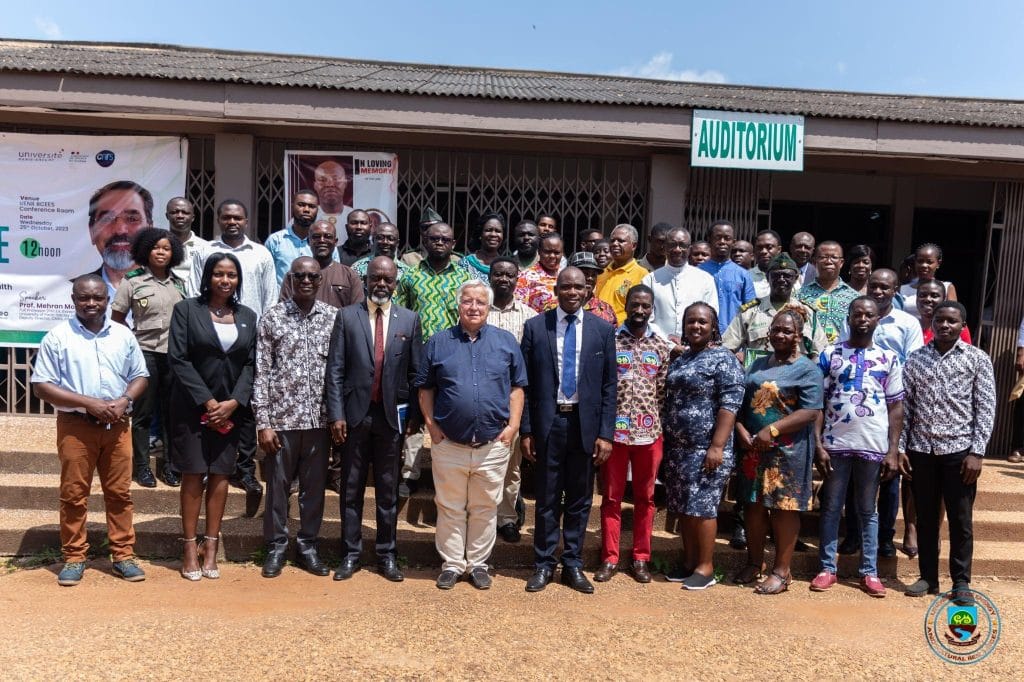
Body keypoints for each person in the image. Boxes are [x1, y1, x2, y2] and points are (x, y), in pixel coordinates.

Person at [32, 274, 149, 586]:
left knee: (120, 493)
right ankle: (73, 557)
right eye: (84, 298)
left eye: (98, 297)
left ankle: (123, 555)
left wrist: (125, 399)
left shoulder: (123, 335)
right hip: (76, 427)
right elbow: (42, 386)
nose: (92, 303)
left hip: (118, 425)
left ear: (108, 300)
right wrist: (88, 403)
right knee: (73, 494)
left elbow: (140, 375)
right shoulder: (58, 337)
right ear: (73, 300)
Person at [418, 280, 527, 590]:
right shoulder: (438, 342)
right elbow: (425, 389)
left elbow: (517, 388)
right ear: (459, 305)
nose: (474, 307)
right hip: (449, 443)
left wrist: (513, 427)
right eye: (468, 301)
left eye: (480, 302)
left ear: (488, 307)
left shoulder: (506, 342)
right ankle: (452, 564)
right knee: (450, 506)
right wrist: (431, 425)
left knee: (484, 507)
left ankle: (478, 563)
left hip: (493, 444)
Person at [520, 267, 616, 594]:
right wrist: (527, 430)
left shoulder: (602, 330)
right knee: (546, 498)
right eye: (566, 287)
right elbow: (527, 384)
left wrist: (605, 433)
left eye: (579, 287)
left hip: (584, 425)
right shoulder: (535, 327)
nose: (572, 292)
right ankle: (544, 563)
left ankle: (573, 564)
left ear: (587, 291)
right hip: (549, 423)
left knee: (579, 498)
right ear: (556, 289)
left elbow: (608, 386)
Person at [326, 257, 422, 582]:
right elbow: (335, 370)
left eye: (388, 279)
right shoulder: (346, 316)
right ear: (366, 280)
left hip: (390, 420)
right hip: (354, 418)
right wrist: (336, 414)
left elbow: (414, 374)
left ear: (396, 283)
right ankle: (351, 555)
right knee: (351, 490)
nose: (381, 283)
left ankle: (387, 555)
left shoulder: (409, 321)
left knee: (387, 490)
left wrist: (412, 418)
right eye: (376, 278)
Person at [168, 252, 257, 581]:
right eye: (219, 274)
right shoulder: (187, 310)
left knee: (220, 476)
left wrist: (234, 402)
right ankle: (189, 547)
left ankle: (211, 547)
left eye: (231, 275)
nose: (225, 280)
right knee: (193, 475)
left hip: (231, 413)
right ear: (207, 277)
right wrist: (208, 402)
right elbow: (178, 359)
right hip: (192, 409)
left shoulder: (247, 315)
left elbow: (250, 363)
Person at [900, 301, 995, 605]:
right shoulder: (915, 360)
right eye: (940, 320)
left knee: (960, 520)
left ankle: (961, 581)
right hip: (922, 451)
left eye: (951, 321)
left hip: (959, 453)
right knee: (926, 517)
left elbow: (986, 407)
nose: (944, 325)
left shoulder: (977, 359)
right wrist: (901, 447)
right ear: (932, 324)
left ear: (962, 326)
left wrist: (977, 452)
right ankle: (928, 577)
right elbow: (906, 409)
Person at [812, 297, 904, 598]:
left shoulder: (889, 359)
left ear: (878, 319)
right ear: (848, 318)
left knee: (868, 510)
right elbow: (817, 404)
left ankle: (869, 572)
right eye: (857, 314)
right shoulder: (830, 354)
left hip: (872, 444)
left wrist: (893, 450)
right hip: (836, 442)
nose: (863, 319)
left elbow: (896, 408)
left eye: (869, 315)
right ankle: (827, 568)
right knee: (830, 507)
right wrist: (819, 444)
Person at [253, 257, 337, 578]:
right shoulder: (272, 318)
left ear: (319, 281)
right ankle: (275, 547)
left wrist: (336, 417)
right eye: (299, 275)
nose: (305, 281)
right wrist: (264, 422)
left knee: (314, 489)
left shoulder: (332, 318)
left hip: (319, 422)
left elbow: (337, 372)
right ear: (290, 279)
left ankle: (308, 546)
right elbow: (261, 372)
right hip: (282, 422)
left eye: (311, 276)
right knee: (278, 487)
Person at [733, 309, 823, 594]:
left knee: (783, 509)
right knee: (753, 506)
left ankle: (782, 572)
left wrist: (771, 430)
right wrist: (740, 429)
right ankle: (754, 562)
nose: (780, 335)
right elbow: (741, 401)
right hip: (752, 450)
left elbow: (810, 411)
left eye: (787, 331)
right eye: (776, 329)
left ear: (798, 336)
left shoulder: (807, 369)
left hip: (787, 452)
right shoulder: (757, 364)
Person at [191, 200, 275, 504]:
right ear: (218, 219)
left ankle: (244, 468)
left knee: (247, 403)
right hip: (210, 336)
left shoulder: (261, 253)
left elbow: (271, 298)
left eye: (238, 217)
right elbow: (193, 290)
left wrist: (265, 337)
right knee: (211, 398)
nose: (232, 221)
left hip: (250, 336)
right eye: (226, 217)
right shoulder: (204, 251)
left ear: (247, 220)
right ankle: (202, 465)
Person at [837, 268, 923, 558]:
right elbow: (840, 352)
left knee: (889, 473)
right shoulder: (852, 317)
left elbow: (913, 364)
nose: (879, 291)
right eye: (874, 285)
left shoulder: (907, 323)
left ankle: (885, 537)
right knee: (852, 472)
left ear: (896, 290)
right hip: (855, 409)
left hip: (892, 405)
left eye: (886, 287)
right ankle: (853, 535)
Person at [661, 303, 744, 590]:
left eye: (702, 322)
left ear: (713, 327)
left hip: (706, 448)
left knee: (703, 507)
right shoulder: (683, 359)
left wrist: (717, 446)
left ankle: (706, 567)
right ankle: (689, 561)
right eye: (690, 322)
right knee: (684, 506)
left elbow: (730, 404)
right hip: (677, 448)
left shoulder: (724, 358)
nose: (696, 326)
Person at [594, 285, 673, 585]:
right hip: (614, 433)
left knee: (646, 498)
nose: (640, 311)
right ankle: (609, 557)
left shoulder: (662, 345)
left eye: (646, 306)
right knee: (611, 498)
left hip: (649, 432)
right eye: (635, 305)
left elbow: (663, 390)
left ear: (652, 308)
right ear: (626, 305)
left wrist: (659, 426)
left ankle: (641, 557)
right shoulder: (610, 340)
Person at [394, 222, 471, 493]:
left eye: (445, 239)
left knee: (449, 416)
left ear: (453, 244)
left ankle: (446, 477)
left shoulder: (464, 279)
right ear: (424, 241)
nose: (439, 243)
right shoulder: (411, 276)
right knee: (416, 416)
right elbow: (399, 316)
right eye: (434, 238)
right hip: (419, 358)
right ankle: (410, 474)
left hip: (454, 358)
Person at [111, 228, 187, 488]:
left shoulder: (179, 284)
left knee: (170, 413)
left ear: (173, 253)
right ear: (146, 251)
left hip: (174, 356)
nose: (161, 252)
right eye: (156, 248)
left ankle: (169, 466)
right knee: (143, 414)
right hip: (144, 354)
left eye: (166, 248)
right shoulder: (132, 281)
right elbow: (117, 321)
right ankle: (142, 468)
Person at [487, 256, 538, 543]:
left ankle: (506, 518)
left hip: (514, 399)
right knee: (482, 460)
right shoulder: (479, 311)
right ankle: (482, 517)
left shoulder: (529, 316)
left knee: (511, 463)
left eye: (509, 274)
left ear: (517, 279)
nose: (503, 279)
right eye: (498, 274)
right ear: (490, 277)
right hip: (482, 399)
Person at [722, 253, 827, 367]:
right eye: (776, 275)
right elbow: (727, 348)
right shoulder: (750, 312)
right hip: (757, 377)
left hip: (795, 379)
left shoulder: (807, 313)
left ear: (796, 278)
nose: (781, 280)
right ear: (767, 278)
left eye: (787, 275)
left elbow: (821, 352)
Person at [641, 226, 718, 344]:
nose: (677, 250)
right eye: (672, 245)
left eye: (682, 245)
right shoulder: (649, 280)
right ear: (665, 247)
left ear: (690, 248)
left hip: (695, 349)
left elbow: (712, 316)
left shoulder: (705, 280)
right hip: (658, 346)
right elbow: (647, 318)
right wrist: (668, 343)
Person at [279, 220, 364, 310]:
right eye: (316, 236)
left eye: (327, 236)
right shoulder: (294, 275)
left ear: (335, 242)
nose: (322, 240)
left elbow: (356, 313)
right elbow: (283, 311)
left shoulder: (349, 275)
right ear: (309, 241)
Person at [698, 220, 756, 334]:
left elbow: (751, 308)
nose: (722, 242)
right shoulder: (697, 272)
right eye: (718, 237)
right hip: (703, 336)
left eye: (727, 238)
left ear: (733, 242)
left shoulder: (743, 275)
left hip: (734, 337)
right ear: (709, 240)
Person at [797, 241, 859, 344]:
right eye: (823, 257)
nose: (828, 261)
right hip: (810, 355)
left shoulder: (854, 297)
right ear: (814, 262)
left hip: (843, 355)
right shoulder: (800, 295)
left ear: (841, 263)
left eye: (834, 257)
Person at [595, 224, 650, 324]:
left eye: (621, 241)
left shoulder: (642, 275)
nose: (615, 244)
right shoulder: (601, 272)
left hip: (621, 334)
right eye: (612, 240)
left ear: (633, 245)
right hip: (597, 329)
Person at [264, 190, 322, 284]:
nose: (306, 209)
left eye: (311, 206)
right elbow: (265, 275)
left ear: (317, 210)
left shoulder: (324, 243)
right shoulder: (275, 240)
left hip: (316, 298)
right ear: (292, 206)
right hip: (282, 298)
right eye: (301, 205)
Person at [899, 243, 959, 319]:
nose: (924, 265)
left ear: (938, 263)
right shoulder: (903, 289)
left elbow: (953, 316)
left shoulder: (947, 287)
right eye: (920, 261)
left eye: (929, 262)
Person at [557, 251, 617, 324]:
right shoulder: (554, 306)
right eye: (585, 273)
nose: (590, 278)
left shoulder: (605, 310)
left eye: (594, 275)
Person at [166, 197, 209, 296]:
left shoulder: (205, 247)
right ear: (167, 216)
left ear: (193, 217)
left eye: (185, 212)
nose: (180, 216)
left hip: (195, 304)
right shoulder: (157, 246)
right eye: (174, 212)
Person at [515, 233, 564, 313]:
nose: (552, 256)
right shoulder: (525, 277)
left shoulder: (566, 276)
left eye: (557, 252)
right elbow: (520, 308)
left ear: (562, 253)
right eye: (547, 252)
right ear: (539, 252)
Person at [917, 279, 972, 345]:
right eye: (922, 295)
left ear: (943, 299)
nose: (928, 299)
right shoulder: (909, 326)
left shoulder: (956, 327)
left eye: (934, 296)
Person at [313, 159, 354, 238]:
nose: (330, 184)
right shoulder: (307, 217)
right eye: (322, 180)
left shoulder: (355, 217)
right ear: (315, 185)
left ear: (345, 183)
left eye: (336, 179)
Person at [458, 213, 504, 279]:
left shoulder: (506, 265)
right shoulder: (465, 263)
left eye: (498, 231)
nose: (493, 234)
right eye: (488, 230)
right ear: (480, 234)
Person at [751, 230, 783, 299]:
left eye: (769, 247)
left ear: (779, 249)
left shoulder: (791, 277)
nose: (764, 251)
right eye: (759, 248)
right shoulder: (746, 277)